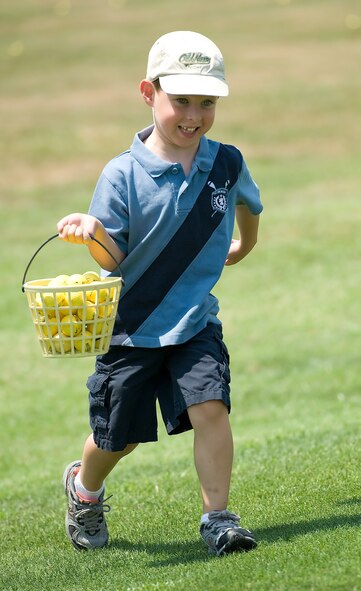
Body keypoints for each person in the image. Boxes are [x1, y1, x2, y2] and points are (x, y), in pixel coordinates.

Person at [58, 30, 263, 557]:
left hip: (195, 322)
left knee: (211, 407)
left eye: (207, 102)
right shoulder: (122, 173)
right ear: (149, 93)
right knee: (118, 437)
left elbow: (249, 206)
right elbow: (112, 258)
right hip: (130, 329)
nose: (193, 115)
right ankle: (85, 487)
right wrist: (90, 232)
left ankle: (218, 518)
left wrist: (244, 245)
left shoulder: (226, 162)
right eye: (181, 101)